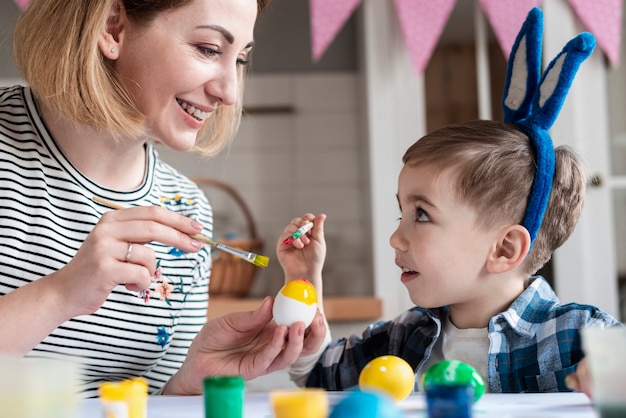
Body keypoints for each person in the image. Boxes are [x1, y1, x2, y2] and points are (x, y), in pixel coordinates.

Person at [277, 7, 622, 397]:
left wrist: (614, 376)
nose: (395, 237)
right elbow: (320, 374)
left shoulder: (579, 336)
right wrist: (303, 281)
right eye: (401, 212)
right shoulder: (405, 336)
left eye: (421, 215)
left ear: (505, 249)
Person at [0, 0, 326, 398]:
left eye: (239, 59)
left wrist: (191, 378)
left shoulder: (188, 210)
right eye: (208, 49)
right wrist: (60, 294)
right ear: (113, 27)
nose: (228, 92)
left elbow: (149, 402)